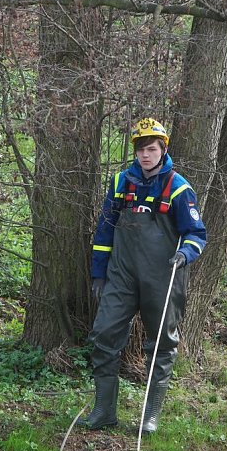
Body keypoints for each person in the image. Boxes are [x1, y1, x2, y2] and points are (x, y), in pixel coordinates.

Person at [79, 118, 207, 433]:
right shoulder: (121, 183)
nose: (145, 155)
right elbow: (104, 230)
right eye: (140, 150)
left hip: (164, 275)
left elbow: (196, 234)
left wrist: (184, 254)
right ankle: (103, 411)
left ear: (163, 150)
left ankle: (149, 418)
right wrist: (99, 273)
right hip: (121, 275)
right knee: (105, 334)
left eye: (151, 149)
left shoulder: (178, 188)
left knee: (162, 343)